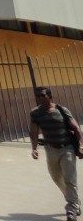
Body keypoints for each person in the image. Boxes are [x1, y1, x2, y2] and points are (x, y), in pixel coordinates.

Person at [30, 86, 81, 221]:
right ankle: (75, 201)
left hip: (67, 149)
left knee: (70, 180)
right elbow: (34, 131)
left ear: (49, 96)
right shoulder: (35, 113)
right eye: (38, 96)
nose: (40, 98)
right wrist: (34, 148)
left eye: (42, 95)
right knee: (56, 177)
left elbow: (75, 127)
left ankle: (71, 208)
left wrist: (81, 144)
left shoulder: (61, 110)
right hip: (51, 150)